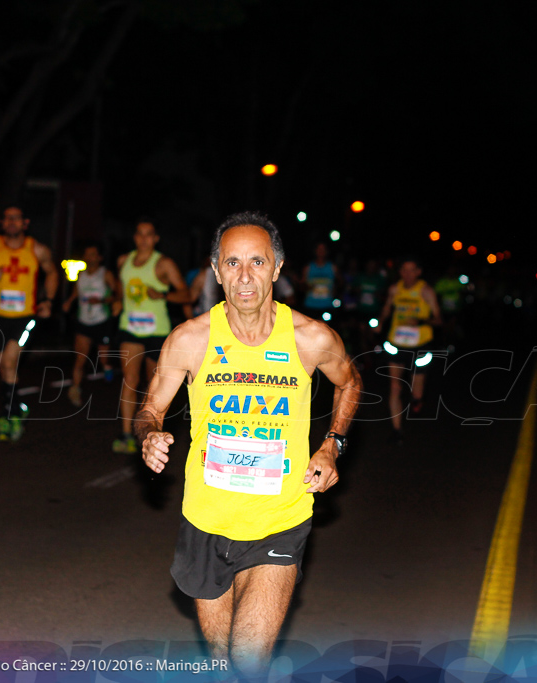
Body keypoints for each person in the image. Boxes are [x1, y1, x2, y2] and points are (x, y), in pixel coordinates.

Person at [137, 211, 362, 676]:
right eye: (232, 263)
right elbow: (149, 408)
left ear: (277, 269)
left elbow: (351, 382)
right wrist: (149, 435)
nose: (244, 276)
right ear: (216, 271)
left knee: (247, 659)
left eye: (257, 262)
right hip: (206, 519)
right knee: (222, 660)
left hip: (279, 519)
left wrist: (332, 444)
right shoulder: (190, 340)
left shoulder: (310, 338)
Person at [0, 206, 58, 442]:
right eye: (8, 218)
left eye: (17, 218)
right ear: (2, 223)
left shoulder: (37, 249)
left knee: (9, 361)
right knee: (6, 368)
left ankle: (7, 417)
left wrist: (47, 301)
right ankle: (19, 408)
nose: (12, 222)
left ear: (25, 223)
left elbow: (52, 273)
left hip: (25, 318)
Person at [113, 218, 190, 453]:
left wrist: (163, 296)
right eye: (140, 233)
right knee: (129, 379)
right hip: (130, 328)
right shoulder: (123, 261)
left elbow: (185, 294)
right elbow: (119, 289)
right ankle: (126, 434)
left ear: (155, 239)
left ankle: (152, 434)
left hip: (157, 331)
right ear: (135, 237)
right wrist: (117, 303)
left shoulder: (164, 264)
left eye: (149, 234)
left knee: (153, 385)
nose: (144, 238)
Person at [380, 256, 441, 444]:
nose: (407, 274)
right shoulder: (394, 289)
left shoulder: (425, 291)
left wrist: (421, 321)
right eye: (404, 270)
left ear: (418, 272)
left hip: (420, 346)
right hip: (396, 344)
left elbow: (438, 319)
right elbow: (386, 309)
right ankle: (397, 430)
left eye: (411, 270)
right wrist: (380, 323)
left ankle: (417, 400)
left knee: (416, 393)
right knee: (395, 387)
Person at [63, 244, 119, 407]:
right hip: (84, 321)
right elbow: (76, 292)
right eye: (87, 254)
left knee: (103, 359)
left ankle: (107, 367)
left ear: (99, 258)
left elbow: (117, 295)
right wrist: (69, 302)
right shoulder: (80, 275)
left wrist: (101, 300)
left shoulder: (106, 274)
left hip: (102, 321)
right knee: (80, 358)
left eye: (93, 254)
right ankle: (75, 389)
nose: (89, 257)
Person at [301, 242, 339, 317]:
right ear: (315, 251)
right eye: (319, 249)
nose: (321, 251)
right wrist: (307, 287)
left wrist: (335, 290)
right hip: (311, 305)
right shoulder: (308, 268)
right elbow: (301, 286)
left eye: (323, 249)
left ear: (327, 251)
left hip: (327, 305)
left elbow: (340, 283)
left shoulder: (333, 267)